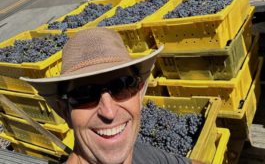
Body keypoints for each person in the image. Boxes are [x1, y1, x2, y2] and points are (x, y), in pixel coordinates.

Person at [22, 28, 203, 164]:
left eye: (122, 85)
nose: (108, 112)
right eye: (85, 94)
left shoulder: (142, 154)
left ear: (139, 95)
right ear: (65, 111)